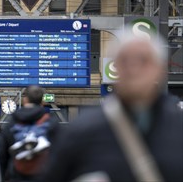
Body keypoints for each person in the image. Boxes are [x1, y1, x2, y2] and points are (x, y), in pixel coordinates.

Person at [40, 36, 183, 182]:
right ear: (115, 69)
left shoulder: (179, 126)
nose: (133, 69)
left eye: (143, 60)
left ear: (159, 69)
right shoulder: (81, 133)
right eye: (124, 61)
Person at [0, 85, 59, 181]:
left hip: (17, 176)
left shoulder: (11, 124)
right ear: (42, 102)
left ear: (25, 100)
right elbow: (60, 155)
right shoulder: (52, 123)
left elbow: (2, 156)